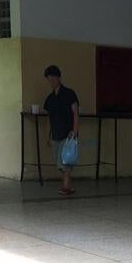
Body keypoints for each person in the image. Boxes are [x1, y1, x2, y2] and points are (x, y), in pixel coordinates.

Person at [42, 65, 79, 197]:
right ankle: (68, 185)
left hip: (68, 134)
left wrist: (74, 131)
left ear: (59, 78)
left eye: (53, 78)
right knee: (59, 163)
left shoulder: (70, 94)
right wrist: (48, 135)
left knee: (65, 161)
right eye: (49, 79)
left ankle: (66, 187)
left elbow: (75, 113)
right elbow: (48, 119)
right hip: (55, 134)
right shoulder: (50, 99)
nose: (51, 82)